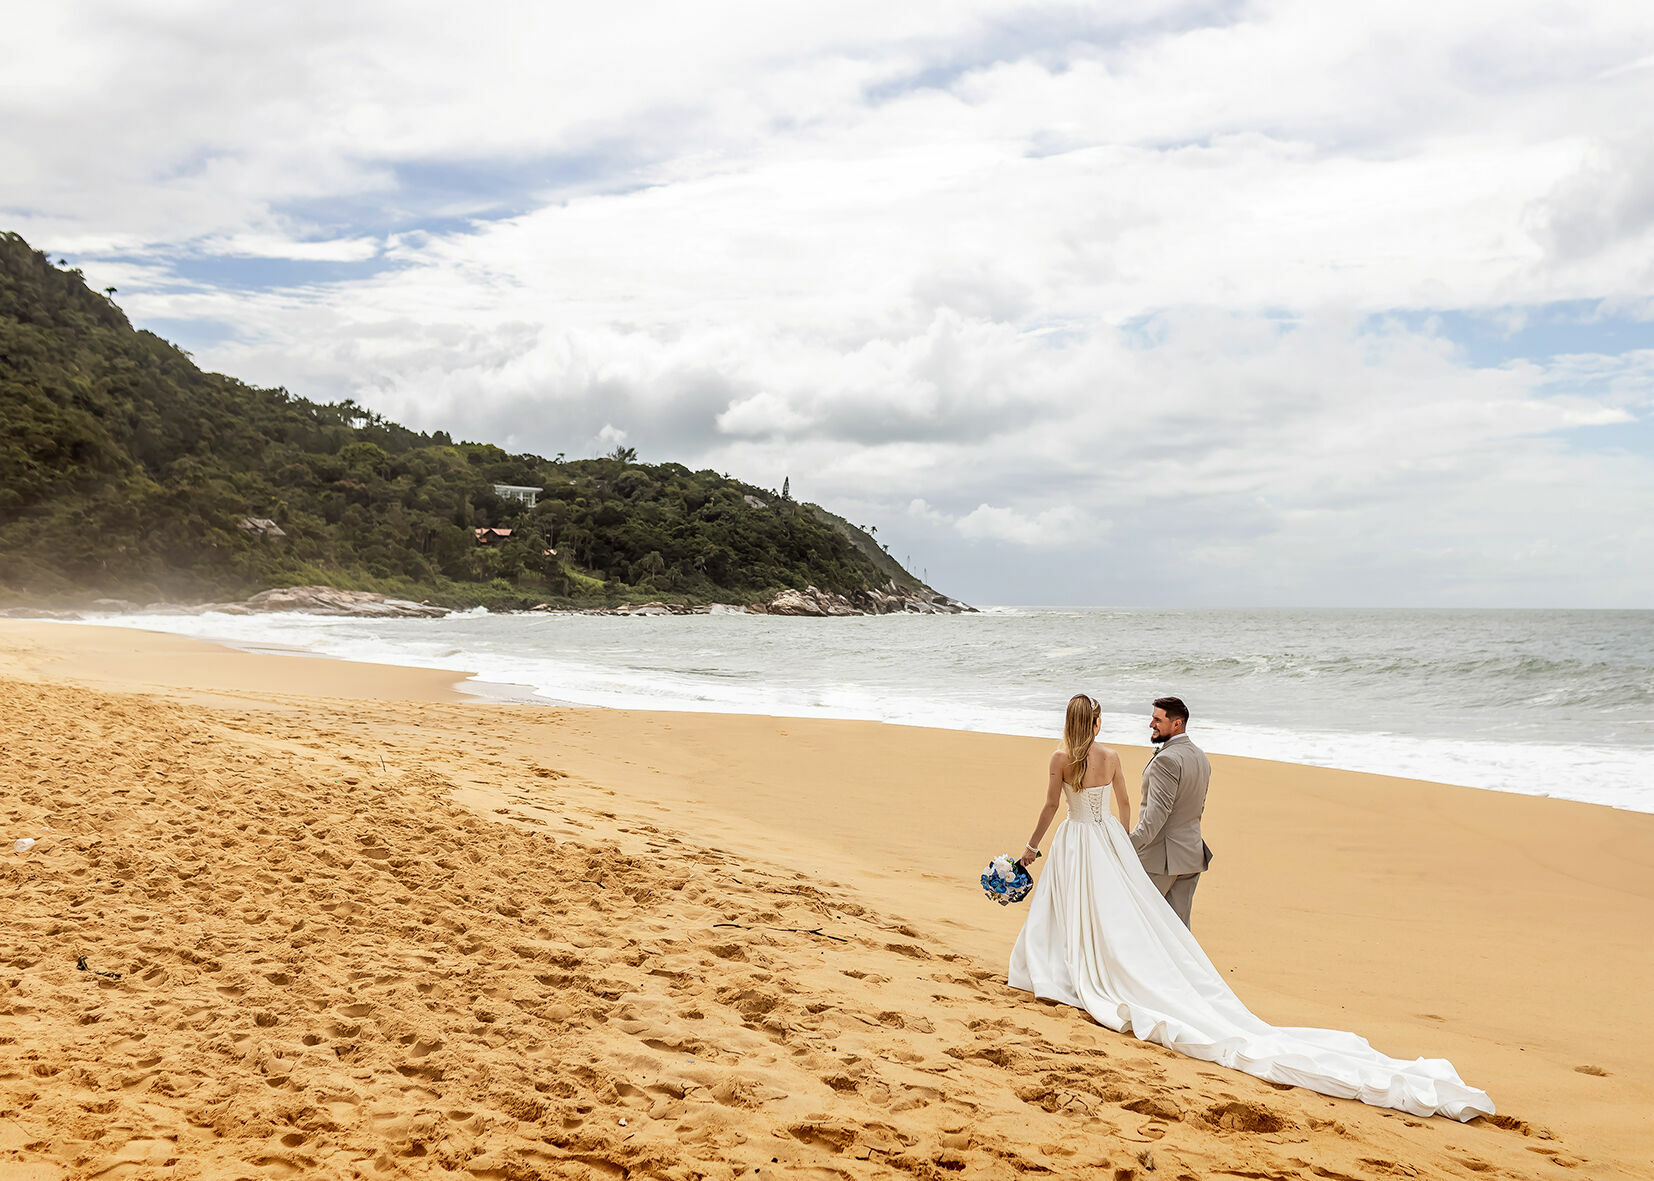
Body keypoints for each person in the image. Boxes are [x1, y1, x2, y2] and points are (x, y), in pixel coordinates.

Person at [1007, 694, 1494, 1121]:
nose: (1147, 725)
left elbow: (1056, 808)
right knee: (1152, 924)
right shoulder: (1134, 757)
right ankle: (1154, 974)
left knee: (1085, 909)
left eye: (1157, 719)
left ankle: (1075, 971)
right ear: (1094, 723)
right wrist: (1117, 841)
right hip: (1140, 844)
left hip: (1082, 841)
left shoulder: (1066, 759)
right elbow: (1127, 803)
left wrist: (1033, 849)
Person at [1129, 696, 1212, 928]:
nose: (1151, 724)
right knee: (1178, 933)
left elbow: (1156, 817)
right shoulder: (1200, 757)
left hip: (1160, 860)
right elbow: (1198, 807)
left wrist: (1126, 846)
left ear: (1176, 724)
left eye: (1157, 719)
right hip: (1191, 855)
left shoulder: (1166, 760)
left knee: (1141, 926)